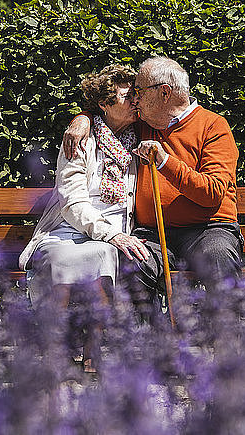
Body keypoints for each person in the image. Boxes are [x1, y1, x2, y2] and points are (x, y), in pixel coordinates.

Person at [63, 56, 242, 306]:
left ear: (164, 93)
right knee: (130, 262)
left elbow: (211, 193)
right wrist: (82, 118)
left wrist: (163, 161)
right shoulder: (142, 124)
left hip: (207, 230)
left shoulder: (213, 125)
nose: (135, 99)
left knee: (219, 256)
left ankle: (227, 343)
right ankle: (151, 342)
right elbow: (108, 111)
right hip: (153, 234)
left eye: (140, 91)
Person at [19, 64, 150, 371]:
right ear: (104, 104)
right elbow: (72, 201)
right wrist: (84, 119)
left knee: (104, 253)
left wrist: (84, 117)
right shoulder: (78, 141)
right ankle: (57, 346)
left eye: (136, 95)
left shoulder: (140, 136)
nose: (136, 102)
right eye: (127, 97)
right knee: (63, 256)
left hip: (114, 232)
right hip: (69, 227)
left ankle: (94, 348)